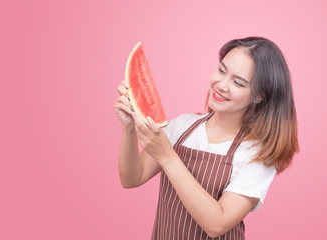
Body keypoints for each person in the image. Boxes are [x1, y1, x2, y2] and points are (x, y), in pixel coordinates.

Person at [113, 36, 299, 240]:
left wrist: (167, 156)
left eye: (238, 82)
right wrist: (129, 127)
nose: (221, 85)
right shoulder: (183, 126)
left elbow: (217, 224)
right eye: (222, 70)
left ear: (258, 96)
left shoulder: (258, 154)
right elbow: (132, 178)